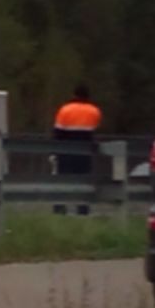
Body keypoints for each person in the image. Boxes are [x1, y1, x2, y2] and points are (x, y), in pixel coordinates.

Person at [52, 83, 102, 213]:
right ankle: (83, 207)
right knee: (84, 178)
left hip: (65, 151)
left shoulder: (65, 110)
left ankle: (60, 206)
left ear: (74, 95)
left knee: (62, 179)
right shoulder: (94, 111)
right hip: (85, 151)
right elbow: (94, 130)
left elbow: (58, 132)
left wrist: (54, 151)